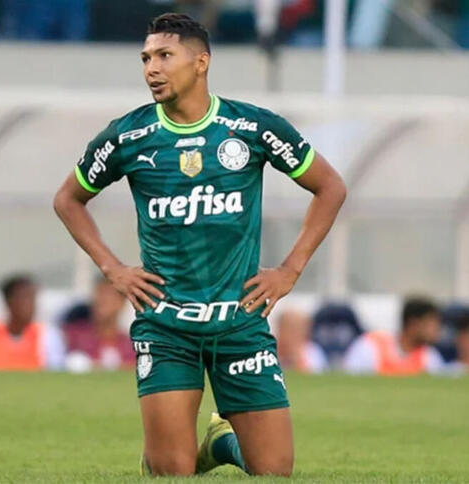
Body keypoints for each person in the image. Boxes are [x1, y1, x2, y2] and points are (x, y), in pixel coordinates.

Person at [53, 13, 346, 476]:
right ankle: (180, 452)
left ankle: (220, 444)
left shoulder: (252, 128)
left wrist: (290, 269)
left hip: (240, 322)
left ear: (201, 62)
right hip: (167, 326)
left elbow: (330, 187)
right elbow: (68, 199)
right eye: (146, 58)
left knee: (273, 471)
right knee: (172, 470)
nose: (152, 68)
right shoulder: (128, 135)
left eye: (165, 56)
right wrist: (113, 269)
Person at [343, 297, 445, 375]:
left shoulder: (430, 357)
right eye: (432, 324)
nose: (437, 330)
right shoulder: (370, 345)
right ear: (414, 324)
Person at [64, 279, 136, 370]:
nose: (101, 300)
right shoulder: (75, 336)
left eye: (108, 295)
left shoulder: (131, 346)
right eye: (99, 294)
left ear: (121, 302)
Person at [275, 308, 328, 374]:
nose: (293, 335)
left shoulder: (313, 351)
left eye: (298, 329)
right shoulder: (269, 348)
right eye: (290, 329)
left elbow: (314, 377)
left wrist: (297, 358)